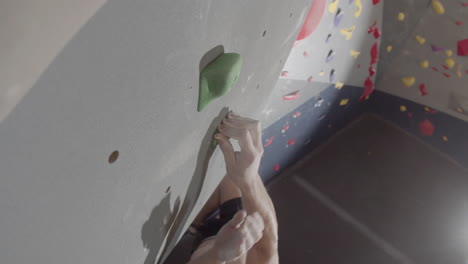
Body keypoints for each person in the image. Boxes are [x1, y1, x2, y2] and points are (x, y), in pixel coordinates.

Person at [187, 112, 279, 264]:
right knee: (231, 178)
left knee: (219, 252)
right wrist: (248, 181)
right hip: (241, 232)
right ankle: (197, 223)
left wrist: (216, 255)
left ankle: (196, 225)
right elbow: (268, 245)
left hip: (215, 255)